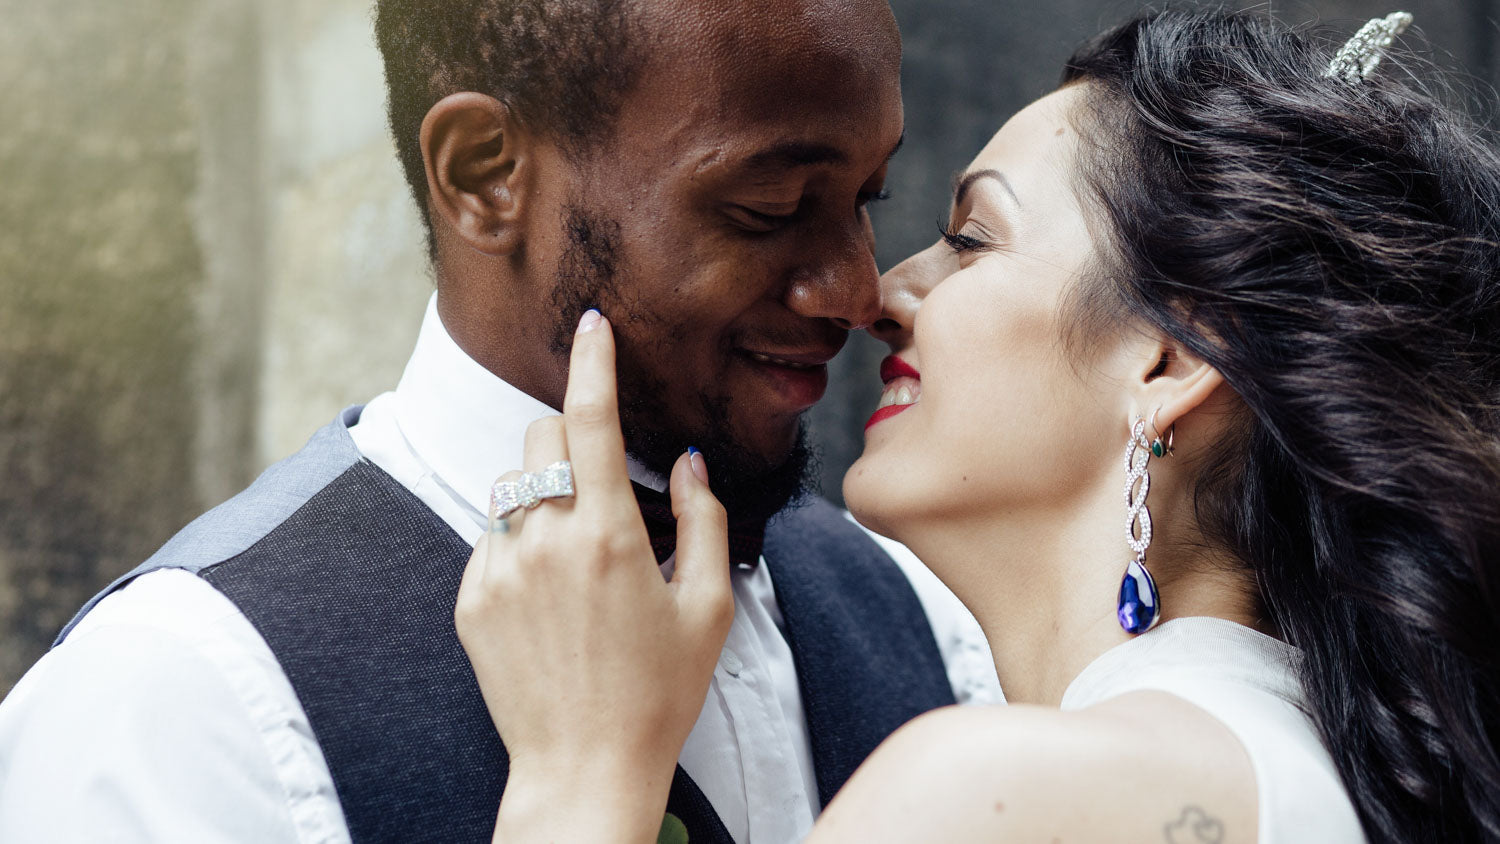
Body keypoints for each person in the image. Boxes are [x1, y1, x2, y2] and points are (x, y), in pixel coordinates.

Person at [457, 9, 1500, 843]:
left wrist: (580, 778)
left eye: (971, 237)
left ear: (1172, 356)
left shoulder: (986, 794)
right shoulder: (1328, 772)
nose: (882, 289)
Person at [0, 1, 999, 841]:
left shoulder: (927, 621)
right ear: (484, 174)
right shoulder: (175, 703)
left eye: (869, 197)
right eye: (768, 205)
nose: (855, 287)